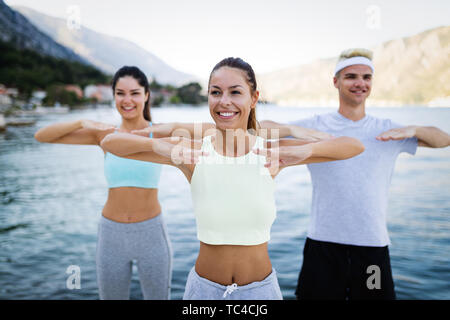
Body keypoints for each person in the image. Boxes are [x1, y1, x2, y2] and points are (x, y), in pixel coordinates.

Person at [100, 57, 365, 300]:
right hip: (204, 292)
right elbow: (111, 142)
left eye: (235, 92)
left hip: (260, 292)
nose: (223, 101)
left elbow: (353, 146)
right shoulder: (192, 153)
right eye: (216, 92)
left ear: (253, 98)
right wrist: (161, 147)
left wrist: (302, 151)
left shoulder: (270, 151)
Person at [261, 48, 450, 300]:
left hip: (372, 246)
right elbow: (256, 130)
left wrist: (414, 128)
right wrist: (292, 129)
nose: (360, 83)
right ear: (335, 82)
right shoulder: (314, 126)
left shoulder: (388, 130)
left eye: (366, 77)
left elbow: (443, 140)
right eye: (351, 76)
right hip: (323, 243)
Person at [34, 66, 172, 300]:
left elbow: (207, 138)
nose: (127, 100)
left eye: (134, 93)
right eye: (120, 93)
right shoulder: (104, 134)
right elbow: (42, 136)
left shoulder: (159, 133)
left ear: (146, 95)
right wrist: (81, 122)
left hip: (151, 233)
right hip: (111, 234)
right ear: (113, 96)